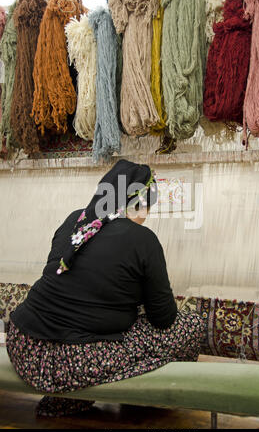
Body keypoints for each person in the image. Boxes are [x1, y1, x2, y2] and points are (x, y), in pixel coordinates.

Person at [6, 159, 204, 417]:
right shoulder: (143, 239)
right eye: (149, 205)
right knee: (190, 326)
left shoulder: (73, 220)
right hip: (76, 359)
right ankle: (139, 398)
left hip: (24, 345)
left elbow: (70, 281)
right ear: (139, 202)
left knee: (103, 328)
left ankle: (69, 398)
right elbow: (165, 318)